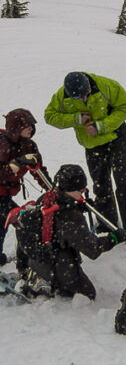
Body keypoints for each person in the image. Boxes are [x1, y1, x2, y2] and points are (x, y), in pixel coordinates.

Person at [44, 72, 126, 244]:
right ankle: (108, 225)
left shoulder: (107, 86)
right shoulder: (62, 95)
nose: (82, 100)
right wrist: (76, 119)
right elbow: (50, 116)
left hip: (116, 139)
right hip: (92, 145)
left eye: (85, 95)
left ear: (88, 86)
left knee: (125, 183)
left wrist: (101, 126)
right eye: (78, 98)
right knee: (101, 184)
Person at [20, 164, 126, 300]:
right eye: (81, 189)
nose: (83, 191)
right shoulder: (72, 218)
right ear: (71, 189)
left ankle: (37, 273)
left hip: (36, 256)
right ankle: (48, 283)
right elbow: (93, 249)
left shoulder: (48, 197)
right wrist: (115, 238)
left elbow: (57, 219)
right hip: (56, 264)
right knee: (88, 294)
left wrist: (76, 205)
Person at [0, 108, 51, 267]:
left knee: (3, 225)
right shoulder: (2, 145)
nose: (31, 129)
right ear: (16, 129)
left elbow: (39, 170)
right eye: (27, 126)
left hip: (6, 195)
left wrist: (52, 190)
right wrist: (16, 164)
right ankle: (26, 265)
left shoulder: (29, 146)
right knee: (21, 222)